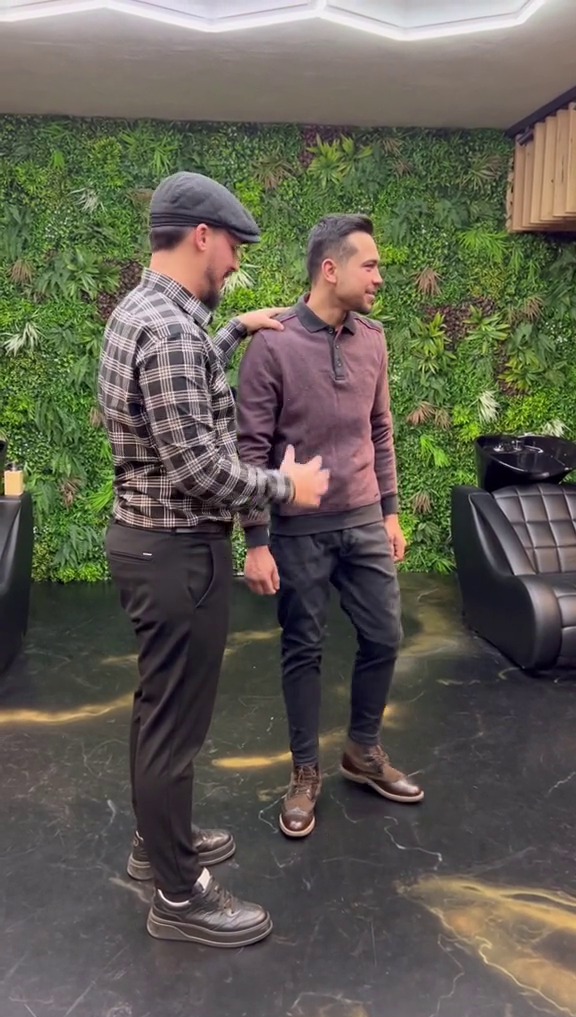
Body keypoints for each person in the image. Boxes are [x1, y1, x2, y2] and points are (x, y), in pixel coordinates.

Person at [98, 171, 330, 946]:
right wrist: (288, 486)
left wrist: (232, 332)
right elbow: (201, 467)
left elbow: (176, 397)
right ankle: (179, 894)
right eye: (233, 248)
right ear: (202, 236)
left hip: (150, 544)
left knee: (159, 714)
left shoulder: (149, 313)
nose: (235, 264)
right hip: (177, 555)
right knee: (175, 729)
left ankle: (157, 842)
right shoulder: (168, 331)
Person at [236, 214, 424, 840]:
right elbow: (251, 448)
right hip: (299, 529)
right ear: (330, 269)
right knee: (303, 647)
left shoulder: (373, 339)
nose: (379, 277)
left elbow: (380, 429)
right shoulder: (273, 344)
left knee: (385, 635)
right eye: (369, 265)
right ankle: (304, 771)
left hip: (365, 517)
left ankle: (362, 751)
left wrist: (390, 511)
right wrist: (257, 541)